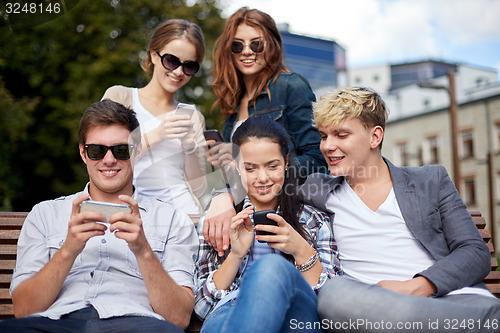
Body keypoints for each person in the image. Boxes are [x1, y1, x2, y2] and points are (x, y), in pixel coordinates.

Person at [298, 87, 500, 332]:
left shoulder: (429, 180)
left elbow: (475, 252)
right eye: (323, 136)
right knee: (333, 294)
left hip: (447, 301)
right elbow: (266, 188)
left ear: (375, 137)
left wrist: (417, 286)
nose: (328, 146)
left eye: (341, 135)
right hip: (366, 307)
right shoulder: (315, 189)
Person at [0, 100, 198, 332]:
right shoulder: (45, 214)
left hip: (135, 324)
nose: (109, 160)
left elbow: (179, 318)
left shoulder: (173, 220)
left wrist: (143, 250)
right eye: (97, 151)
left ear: (137, 151)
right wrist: (68, 250)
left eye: (121, 150)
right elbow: (24, 310)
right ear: (83, 153)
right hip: (56, 323)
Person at [194, 116, 341, 333]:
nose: (262, 178)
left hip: (296, 310)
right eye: (251, 168)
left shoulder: (312, 219)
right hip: (231, 308)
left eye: (272, 166)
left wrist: (300, 250)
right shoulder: (218, 218)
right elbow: (202, 307)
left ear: (286, 162)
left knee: (270, 267)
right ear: (236, 167)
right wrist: (235, 255)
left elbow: (332, 302)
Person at [203, 6, 328, 256]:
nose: (246, 51)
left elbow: (319, 160)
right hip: (248, 214)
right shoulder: (232, 101)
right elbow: (240, 175)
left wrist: (268, 166)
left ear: (270, 45)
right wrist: (228, 170)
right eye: (237, 46)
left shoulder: (291, 86)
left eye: (256, 44)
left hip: (289, 214)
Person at [102, 19, 207, 215]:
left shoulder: (192, 116)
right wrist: (156, 135)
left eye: (189, 66)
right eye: (171, 61)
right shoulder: (120, 97)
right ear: (153, 55)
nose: (178, 72)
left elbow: (199, 187)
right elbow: (102, 157)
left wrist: (190, 147)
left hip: (183, 217)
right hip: (127, 212)